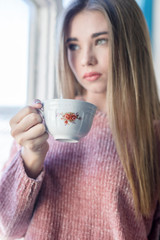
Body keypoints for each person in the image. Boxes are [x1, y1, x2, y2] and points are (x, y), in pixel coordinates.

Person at [0, 0, 160, 239]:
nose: (86, 59)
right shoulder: (43, 124)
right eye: (73, 45)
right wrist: (30, 156)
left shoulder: (154, 136)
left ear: (131, 43)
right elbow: (10, 228)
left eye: (101, 41)